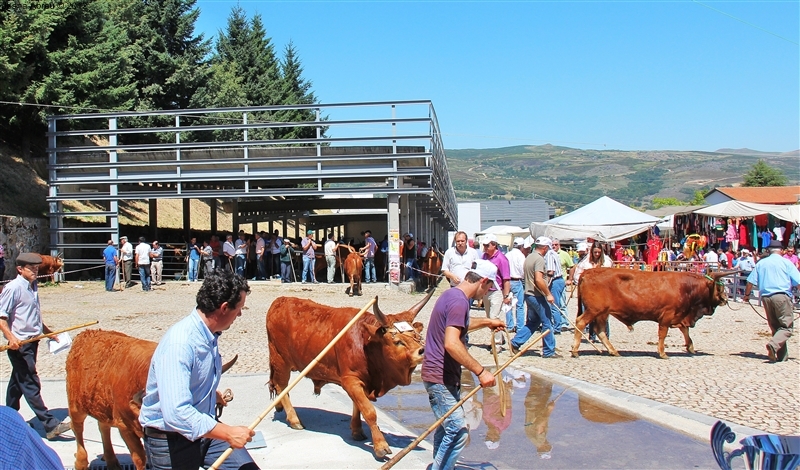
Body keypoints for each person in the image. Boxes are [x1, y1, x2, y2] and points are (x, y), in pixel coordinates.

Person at [138, 271, 258, 469]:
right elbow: (176, 413)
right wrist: (228, 433)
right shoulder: (180, 343)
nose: (240, 314)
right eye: (239, 309)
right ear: (224, 308)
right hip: (171, 441)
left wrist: (210, 394)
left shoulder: (209, 333)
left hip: (205, 431)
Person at [421, 259, 505, 470]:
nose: (487, 293)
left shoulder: (453, 295)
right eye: (488, 288)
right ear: (482, 281)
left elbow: (461, 323)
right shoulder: (460, 301)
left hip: (441, 375)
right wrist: (481, 371)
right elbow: (451, 343)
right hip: (439, 376)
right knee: (458, 431)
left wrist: (488, 322)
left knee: (446, 429)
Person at [0, 253, 71, 440]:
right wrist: (11, 338)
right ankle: (49, 424)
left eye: (37, 268)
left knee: (18, 383)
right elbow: (1, 317)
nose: (35, 271)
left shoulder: (33, 286)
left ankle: (8, 419)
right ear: (20, 269)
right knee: (30, 382)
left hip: (33, 342)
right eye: (31, 268)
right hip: (20, 345)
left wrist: (48, 331)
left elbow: (33, 315)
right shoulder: (13, 288)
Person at [743, 240, 800, 363]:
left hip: (766, 297)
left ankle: (781, 356)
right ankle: (773, 345)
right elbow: (798, 282)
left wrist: (747, 296)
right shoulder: (786, 263)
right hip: (782, 296)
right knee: (786, 328)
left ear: (769, 251)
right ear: (782, 250)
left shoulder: (761, 263)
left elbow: (750, 282)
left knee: (775, 327)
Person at [510, 237, 559, 358]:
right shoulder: (539, 259)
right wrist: (548, 294)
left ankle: (516, 342)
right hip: (537, 295)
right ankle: (549, 351)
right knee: (547, 323)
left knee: (534, 322)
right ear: (545, 247)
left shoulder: (529, 257)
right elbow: (538, 279)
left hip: (528, 294)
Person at [570, 241, 613, 342]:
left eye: (599, 252)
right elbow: (577, 275)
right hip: (590, 292)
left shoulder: (607, 261)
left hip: (603, 291)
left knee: (604, 314)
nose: (597, 254)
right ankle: (592, 336)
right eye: (595, 252)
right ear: (592, 252)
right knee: (590, 313)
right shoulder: (585, 263)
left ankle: (606, 336)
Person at [480, 234, 511, 345]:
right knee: (489, 318)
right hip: (485, 290)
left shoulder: (502, 259)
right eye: (484, 245)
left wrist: (506, 295)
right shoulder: (484, 257)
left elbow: (506, 278)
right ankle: (500, 337)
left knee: (494, 317)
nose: (485, 247)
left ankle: (497, 343)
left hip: (496, 291)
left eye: (487, 245)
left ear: (494, 245)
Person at [545, 238, 568, 332]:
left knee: (554, 304)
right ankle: (557, 324)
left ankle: (557, 327)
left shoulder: (550, 254)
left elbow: (551, 271)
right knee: (557, 304)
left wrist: (546, 284)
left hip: (555, 280)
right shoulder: (554, 253)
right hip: (559, 280)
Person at [505, 237, 528, 333]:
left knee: (508, 304)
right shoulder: (521, 256)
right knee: (519, 305)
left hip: (507, 281)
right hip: (517, 280)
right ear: (522, 246)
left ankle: (509, 325)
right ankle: (520, 326)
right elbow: (523, 269)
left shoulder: (507, 254)